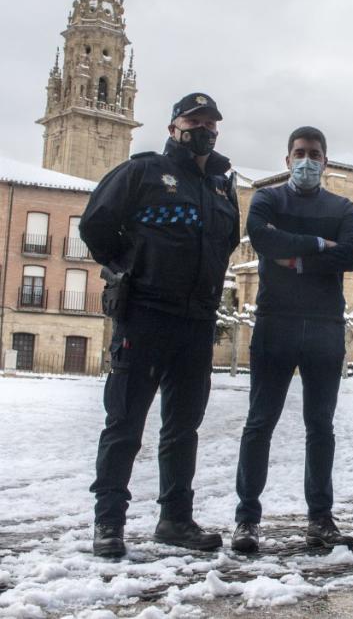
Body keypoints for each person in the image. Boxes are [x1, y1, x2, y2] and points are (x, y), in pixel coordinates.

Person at [80, 92, 240, 558]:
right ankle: (108, 523)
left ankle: (175, 519)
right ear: (173, 127)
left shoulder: (221, 187)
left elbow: (226, 243)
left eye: (211, 122)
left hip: (197, 322)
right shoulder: (142, 172)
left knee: (182, 428)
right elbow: (95, 225)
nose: (203, 128)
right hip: (145, 317)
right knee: (125, 425)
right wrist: (129, 266)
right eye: (193, 120)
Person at [232, 127, 353, 553]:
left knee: (320, 427)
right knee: (259, 423)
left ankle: (320, 519)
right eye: (300, 153)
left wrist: (295, 258)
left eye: (315, 154)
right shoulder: (268, 199)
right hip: (275, 323)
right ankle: (247, 520)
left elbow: (352, 256)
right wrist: (318, 246)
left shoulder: (342, 206)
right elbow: (263, 240)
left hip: (325, 326)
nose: (307, 160)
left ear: (326, 160)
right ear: (288, 159)